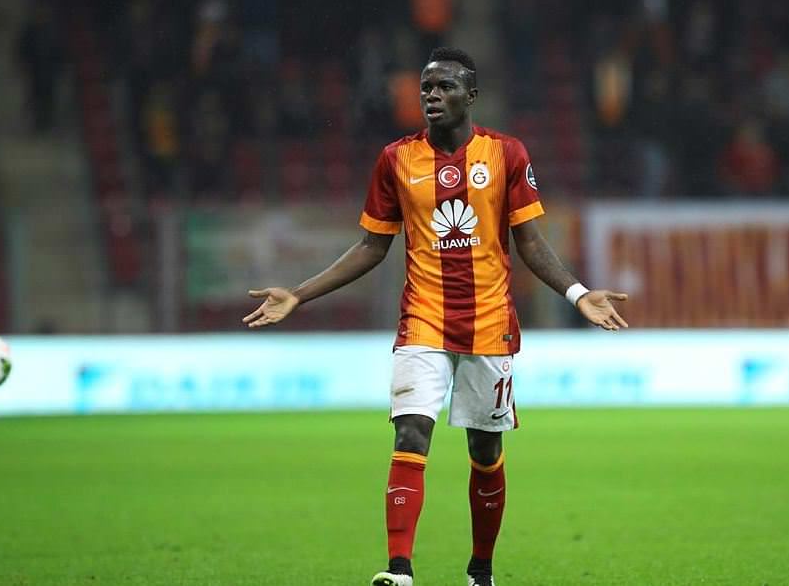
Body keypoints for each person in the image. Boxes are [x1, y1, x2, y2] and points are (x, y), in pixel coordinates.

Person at [243, 47, 628, 586]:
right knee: (410, 433)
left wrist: (578, 293)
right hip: (423, 319)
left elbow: (530, 242)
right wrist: (298, 295)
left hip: (489, 323)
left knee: (485, 450)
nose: (432, 96)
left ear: (471, 96)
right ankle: (399, 568)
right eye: (426, 88)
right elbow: (371, 247)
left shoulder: (506, 154)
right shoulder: (396, 159)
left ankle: (480, 571)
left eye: (445, 87)